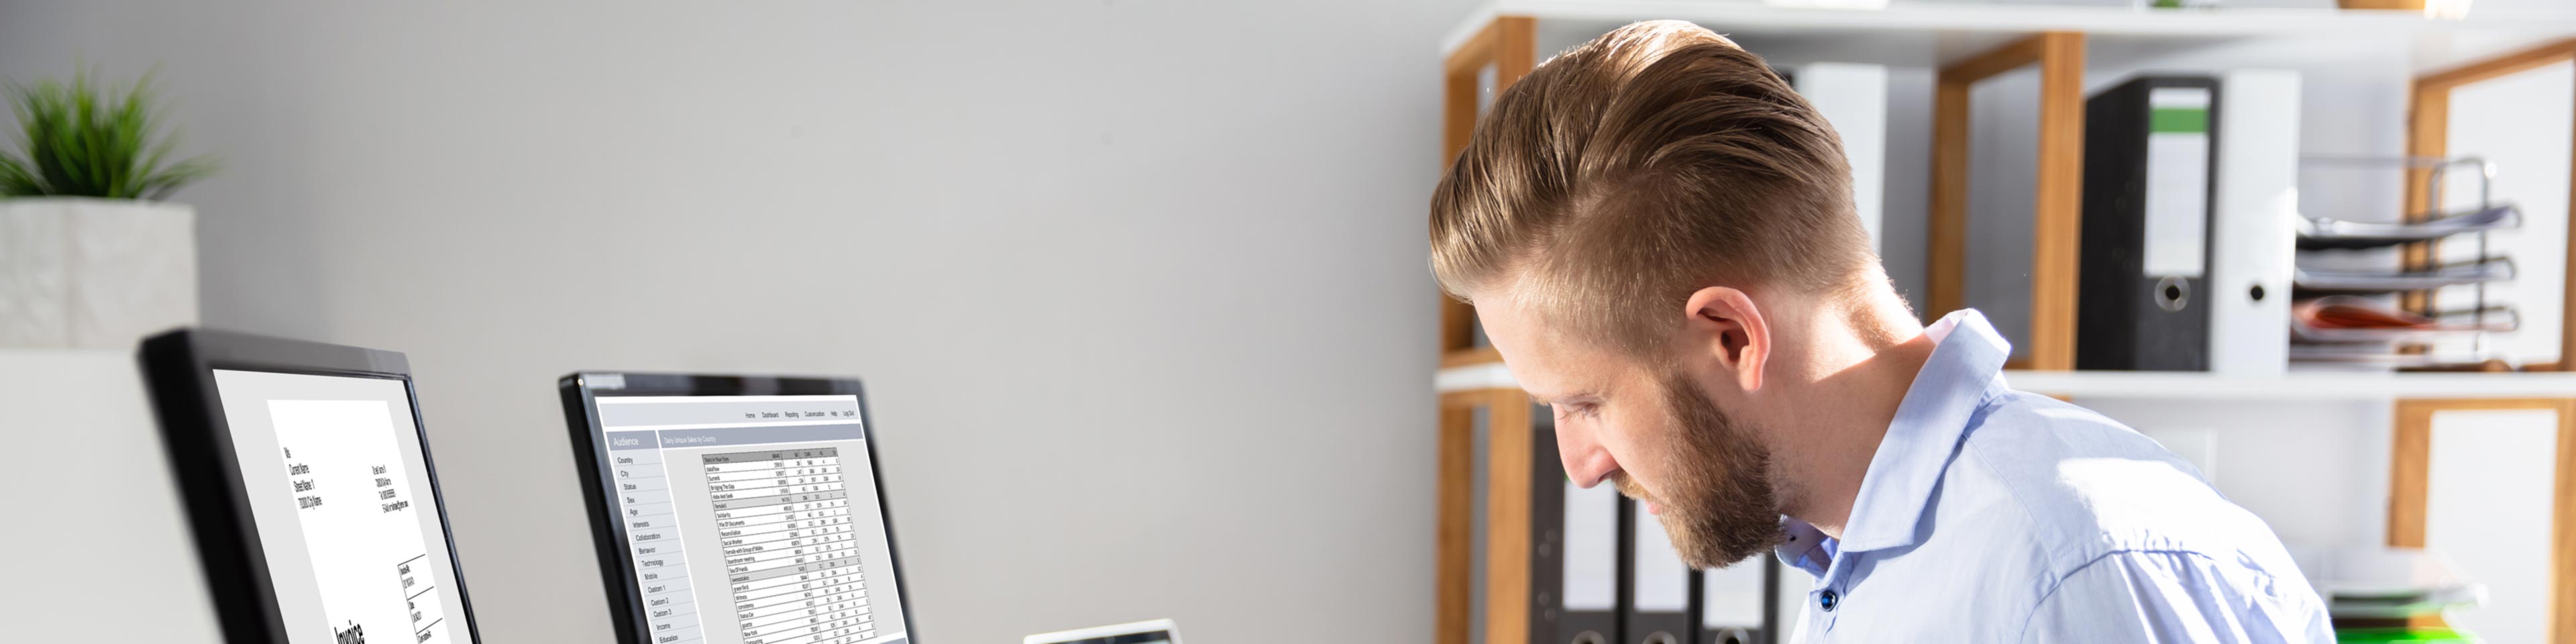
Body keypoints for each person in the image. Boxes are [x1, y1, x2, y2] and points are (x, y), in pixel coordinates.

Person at [1428, 20, 2331, 643]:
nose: (1579, 464)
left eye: (1583, 402)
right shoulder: (1856, 559)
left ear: (1733, 338)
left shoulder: (2066, 570)